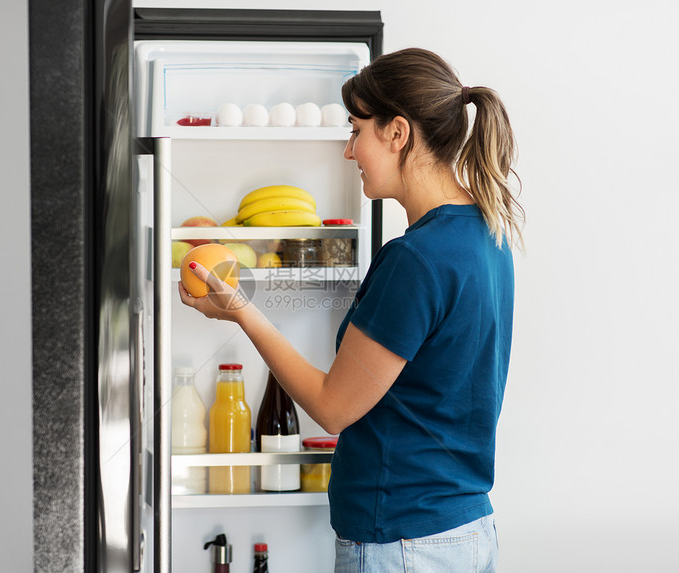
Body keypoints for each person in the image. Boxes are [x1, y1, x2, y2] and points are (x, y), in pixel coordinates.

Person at [179, 47, 523, 573]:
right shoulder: (487, 234)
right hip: (464, 531)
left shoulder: (415, 259)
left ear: (397, 133)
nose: (348, 150)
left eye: (356, 130)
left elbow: (334, 407)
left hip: (403, 541)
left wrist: (243, 312)